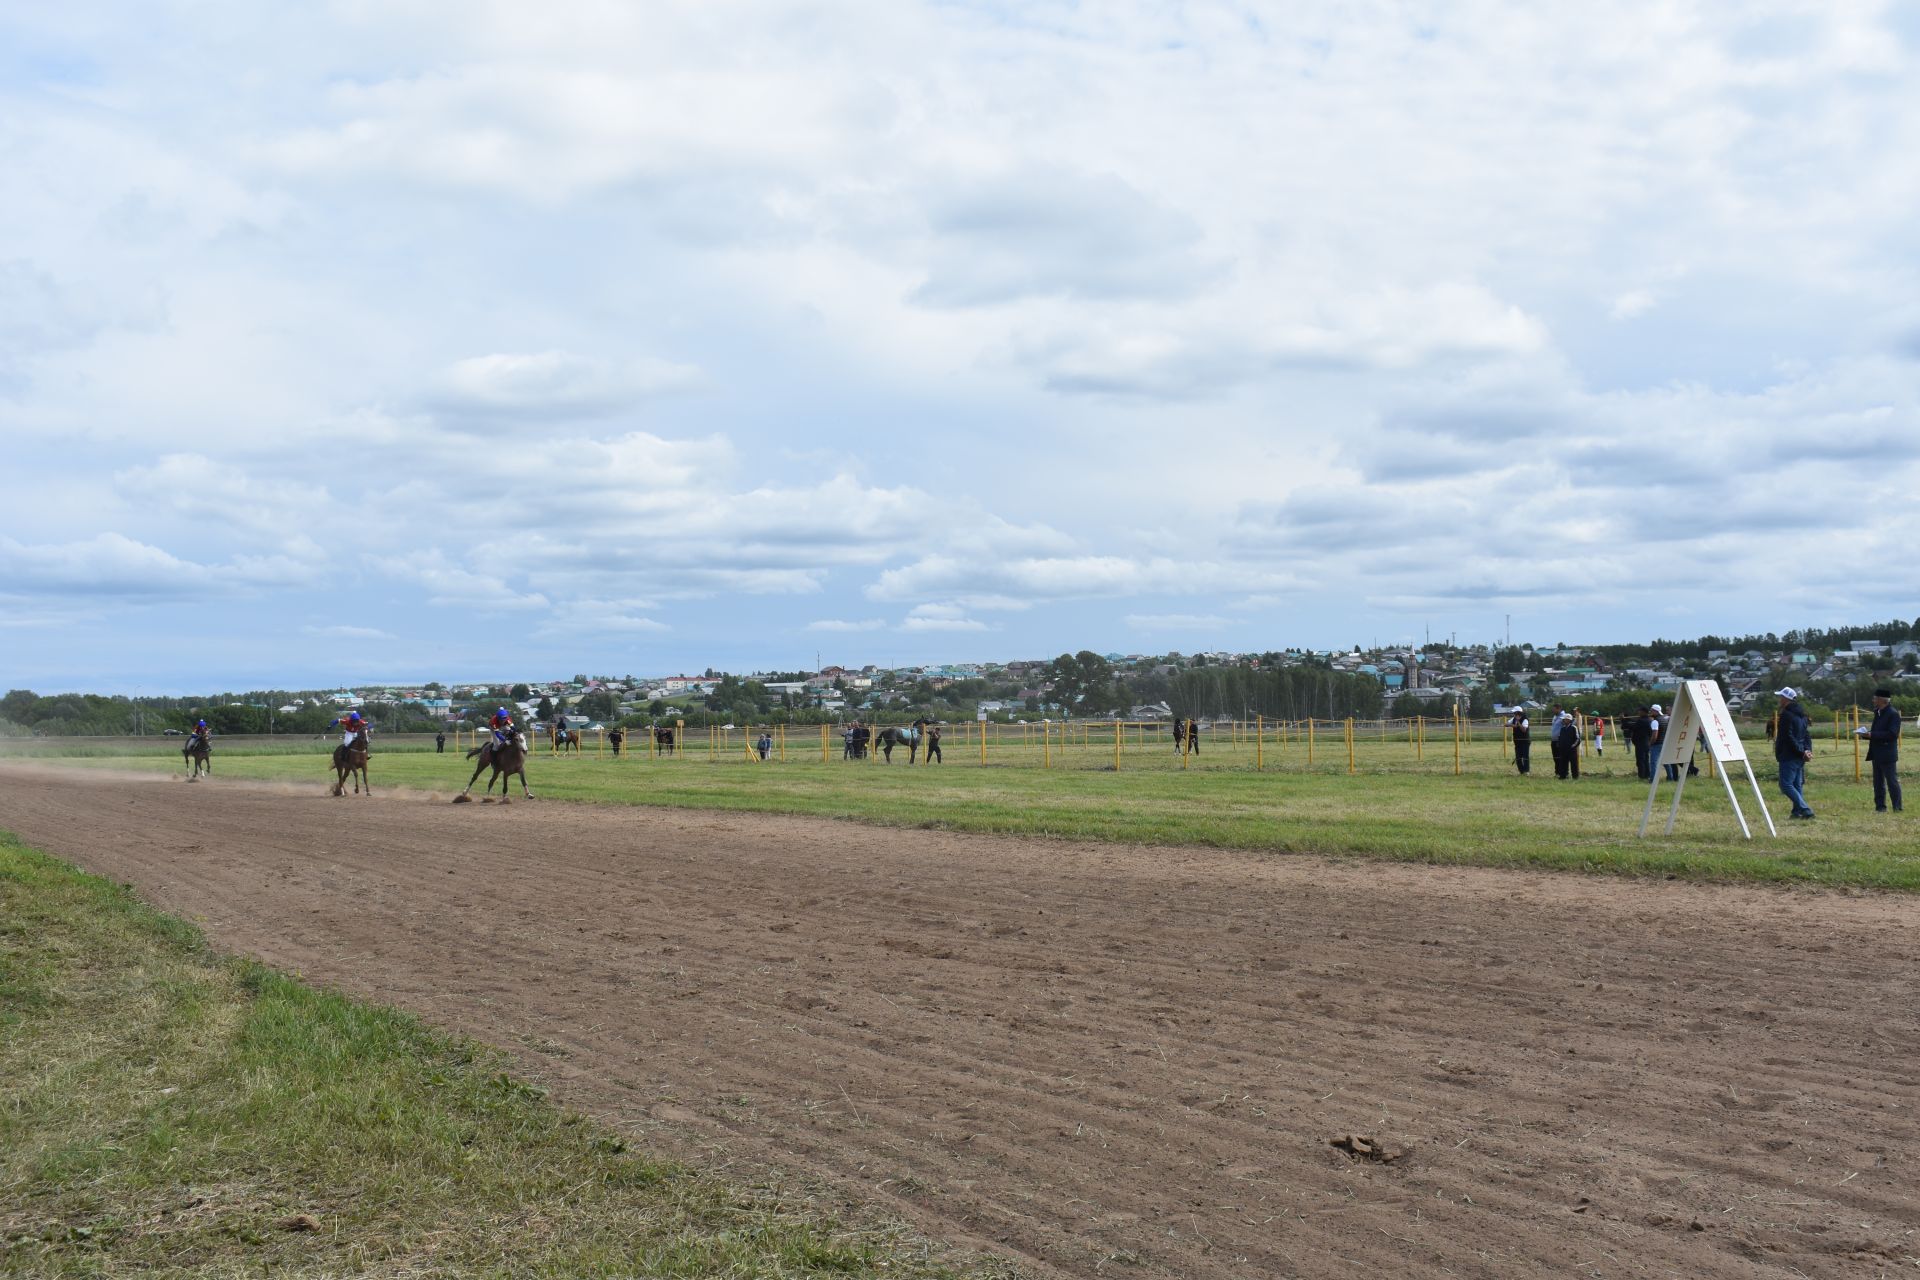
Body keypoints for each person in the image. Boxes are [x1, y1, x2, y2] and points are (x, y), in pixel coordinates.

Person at [1773, 687, 1815, 820]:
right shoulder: (1802, 715)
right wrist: (1807, 750)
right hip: (1800, 755)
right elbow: (1806, 735)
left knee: (1785, 785)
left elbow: (1788, 736)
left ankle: (1806, 809)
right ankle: (1796, 813)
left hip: (1789, 754)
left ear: (1786, 699)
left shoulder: (1786, 715)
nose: (1779, 699)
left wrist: (1802, 751)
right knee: (1797, 785)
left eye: (1781, 697)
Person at [1863, 688, 1903, 813]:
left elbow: (1892, 734)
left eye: (1875, 698)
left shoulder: (1893, 714)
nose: (1873, 700)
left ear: (1881, 700)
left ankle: (1897, 807)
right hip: (1876, 752)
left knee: (1892, 781)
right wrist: (1866, 735)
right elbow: (1876, 731)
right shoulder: (1878, 712)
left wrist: (1872, 735)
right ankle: (1880, 807)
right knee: (1878, 782)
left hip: (1887, 754)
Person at [1507, 708, 1531, 775]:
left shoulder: (1525, 719)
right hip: (1517, 742)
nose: (1513, 714)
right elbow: (1506, 724)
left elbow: (1524, 730)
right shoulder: (1513, 718)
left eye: (1514, 713)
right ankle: (1521, 772)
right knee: (1518, 758)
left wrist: (1518, 722)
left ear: (1518, 713)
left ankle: (1526, 771)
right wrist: (1514, 725)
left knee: (1525, 757)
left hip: (1525, 741)